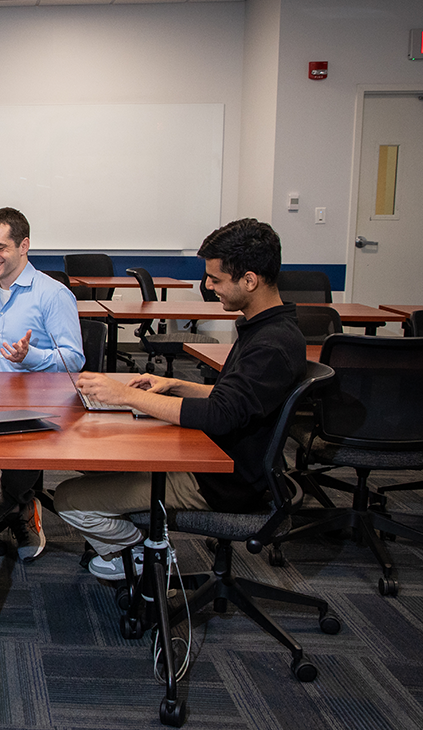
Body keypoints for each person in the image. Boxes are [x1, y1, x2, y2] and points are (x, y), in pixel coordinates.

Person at [54, 218, 305, 581]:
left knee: (69, 499)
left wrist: (126, 396)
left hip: (220, 481)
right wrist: (175, 385)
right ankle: (143, 543)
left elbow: (220, 415)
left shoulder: (271, 346)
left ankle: (146, 554)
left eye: (216, 279)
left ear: (249, 280)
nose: (207, 286)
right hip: (219, 460)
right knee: (100, 463)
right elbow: (238, 399)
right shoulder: (269, 329)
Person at [0, 207, 84, 562]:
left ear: (24, 246)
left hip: (40, 403)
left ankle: (16, 506)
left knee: (17, 451)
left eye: (0, 247)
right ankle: (10, 510)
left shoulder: (52, 295)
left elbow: (74, 359)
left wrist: (33, 357)